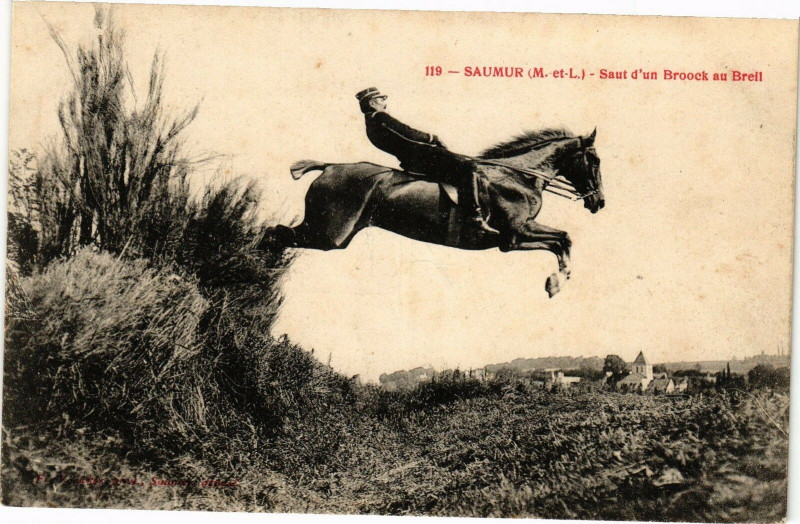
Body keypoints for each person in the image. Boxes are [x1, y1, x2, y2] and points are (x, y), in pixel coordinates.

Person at [356, 87, 499, 235]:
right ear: (372, 103)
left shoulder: (370, 124)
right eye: (381, 100)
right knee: (468, 167)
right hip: (423, 158)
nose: (384, 103)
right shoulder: (380, 117)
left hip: (414, 160)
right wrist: (432, 138)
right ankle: (475, 217)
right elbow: (407, 133)